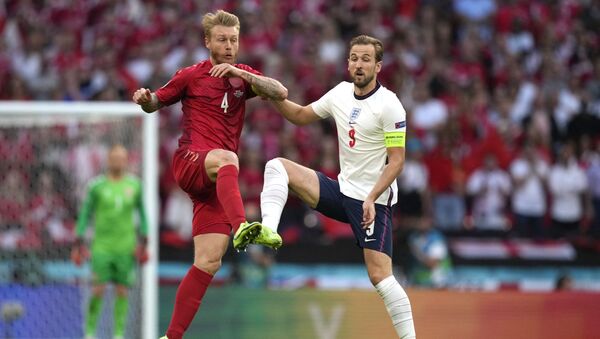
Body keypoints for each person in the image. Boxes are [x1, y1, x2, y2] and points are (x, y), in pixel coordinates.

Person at [131, 10, 287, 339]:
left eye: (233, 40)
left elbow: (280, 91)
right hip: (191, 161)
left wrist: (244, 76)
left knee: (208, 262)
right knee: (228, 157)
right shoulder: (190, 75)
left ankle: (170, 336)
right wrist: (145, 99)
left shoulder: (243, 75)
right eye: (222, 40)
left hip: (215, 182)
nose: (229, 45)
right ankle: (243, 226)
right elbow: (155, 102)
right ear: (207, 42)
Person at [258, 35, 416, 338]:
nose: (358, 64)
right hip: (342, 191)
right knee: (277, 166)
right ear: (348, 62)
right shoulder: (340, 93)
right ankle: (268, 229)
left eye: (366, 59)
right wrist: (273, 96)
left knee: (380, 276)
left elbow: (396, 161)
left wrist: (371, 197)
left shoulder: (390, 105)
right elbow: (301, 115)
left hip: (374, 202)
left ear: (378, 66)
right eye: (354, 58)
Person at [71, 144, 149, 339]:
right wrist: (78, 238)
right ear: (108, 160)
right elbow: (85, 213)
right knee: (98, 288)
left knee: (123, 290)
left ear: (126, 160)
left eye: (121, 158)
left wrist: (145, 239)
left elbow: (143, 214)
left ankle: (118, 335)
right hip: (102, 247)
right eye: (114, 157)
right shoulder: (96, 186)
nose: (118, 161)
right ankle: (89, 333)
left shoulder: (135, 185)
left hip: (126, 246)